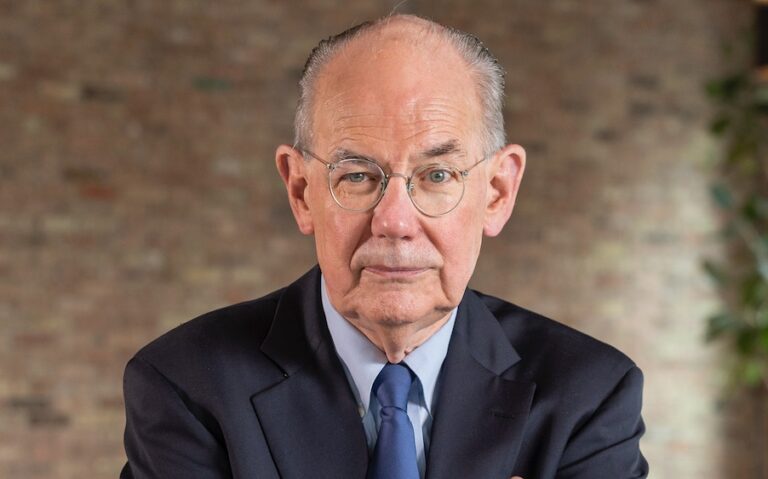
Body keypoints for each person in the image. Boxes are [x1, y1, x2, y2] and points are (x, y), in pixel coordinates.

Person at [120, 14, 648, 479]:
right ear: (301, 192)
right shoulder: (186, 385)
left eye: (437, 174)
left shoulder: (589, 393)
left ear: (497, 192)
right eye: (356, 176)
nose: (394, 221)